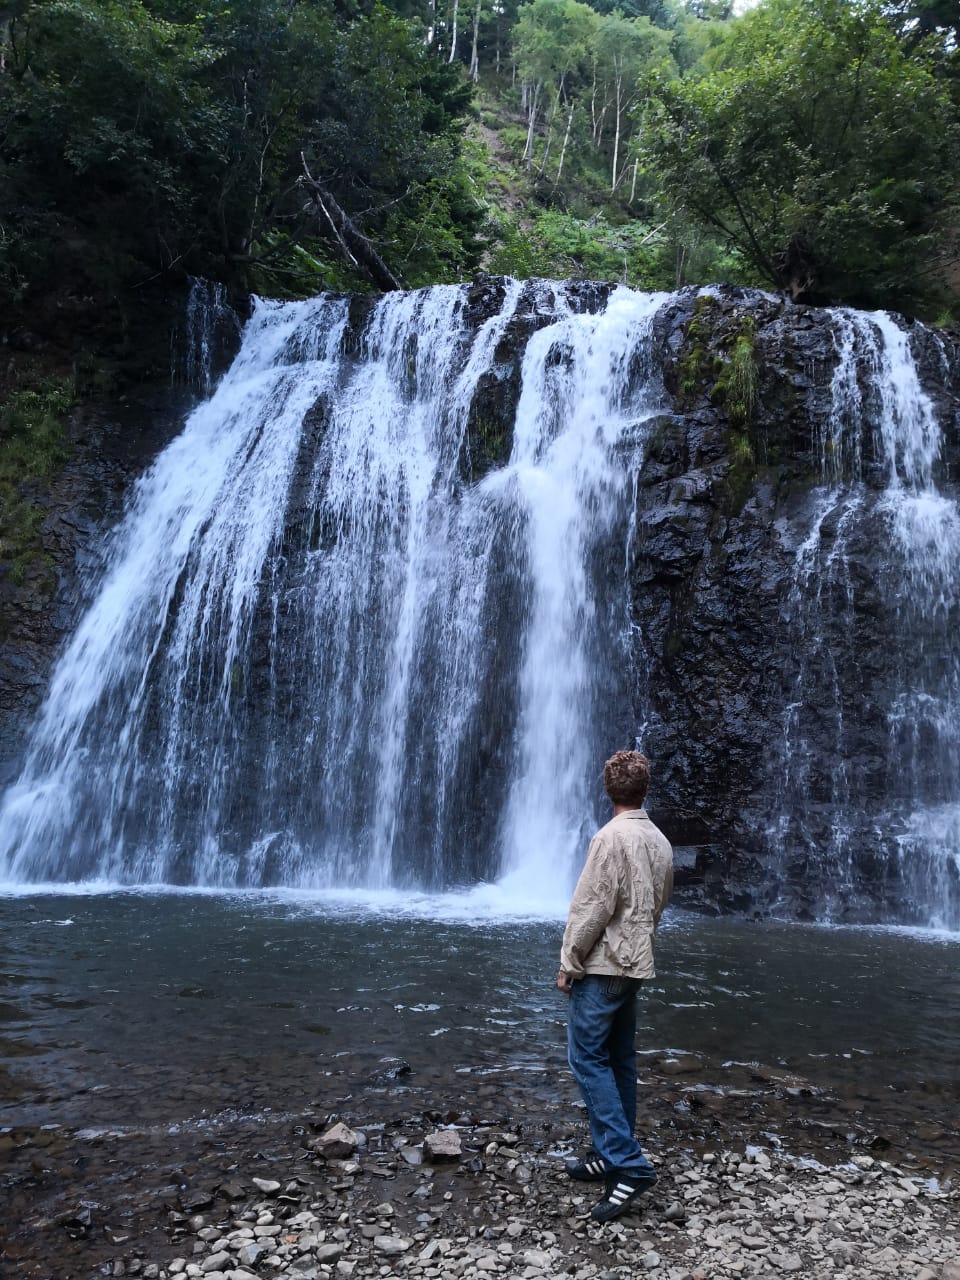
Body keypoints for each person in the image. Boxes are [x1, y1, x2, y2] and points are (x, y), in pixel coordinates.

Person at [556, 750, 674, 1223]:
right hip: (636, 964)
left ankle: (627, 1164)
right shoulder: (660, 840)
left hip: (604, 966)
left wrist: (569, 962)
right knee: (620, 1060)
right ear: (644, 789)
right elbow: (658, 903)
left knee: (586, 1058)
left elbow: (591, 908)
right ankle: (608, 1151)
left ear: (608, 789)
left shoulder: (609, 838)